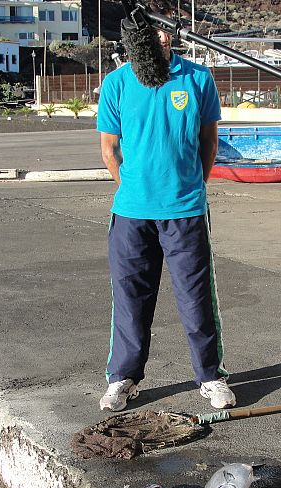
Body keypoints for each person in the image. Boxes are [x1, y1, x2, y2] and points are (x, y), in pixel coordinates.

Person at [95, 21, 236, 412]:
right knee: (129, 298)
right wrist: (136, 187)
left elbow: (209, 141)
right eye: (151, 35)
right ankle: (122, 377)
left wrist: (191, 184)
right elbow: (109, 149)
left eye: (164, 33)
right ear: (135, 43)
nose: (161, 38)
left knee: (196, 298)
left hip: (185, 210)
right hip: (131, 215)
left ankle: (210, 376)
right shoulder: (118, 83)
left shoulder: (197, 78)